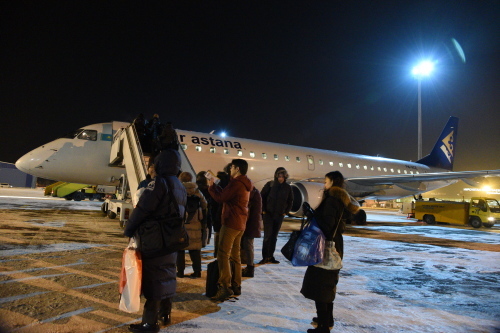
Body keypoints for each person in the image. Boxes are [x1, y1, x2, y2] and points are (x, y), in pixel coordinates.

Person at [124, 149, 187, 333]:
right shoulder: (179, 184)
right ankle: (165, 314)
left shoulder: (158, 183)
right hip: (172, 238)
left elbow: (143, 208)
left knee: (154, 280)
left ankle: (149, 324)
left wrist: (129, 229)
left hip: (155, 238)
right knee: (166, 275)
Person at [300, 171, 359, 333]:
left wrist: (312, 215)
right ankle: (327, 319)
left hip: (326, 247)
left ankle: (323, 327)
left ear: (332, 182)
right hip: (334, 246)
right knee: (328, 284)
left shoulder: (332, 200)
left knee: (321, 286)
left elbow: (327, 226)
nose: (324, 185)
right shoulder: (339, 199)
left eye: (326, 182)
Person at [208, 159, 252, 301]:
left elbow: (220, 198)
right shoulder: (245, 183)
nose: (230, 169)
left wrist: (210, 186)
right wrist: (215, 186)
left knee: (223, 254)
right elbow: (227, 195)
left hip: (231, 223)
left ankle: (225, 286)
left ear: (237, 169)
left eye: (232, 167)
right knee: (235, 255)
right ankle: (236, 285)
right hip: (240, 223)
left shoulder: (236, 183)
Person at [259, 167, 294, 264]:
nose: (280, 178)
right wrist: (264, 211)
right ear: (276, 176)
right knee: (267, 236)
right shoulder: (270, 185)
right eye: (279, 176)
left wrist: (285, 212)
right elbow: (262, 197)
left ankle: (271, 256)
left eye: (282, 176)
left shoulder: (287, 187)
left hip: (279, 215)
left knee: (274, 237)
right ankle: (265, 257)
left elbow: (290, 200)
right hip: (268, 215)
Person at [177, 171, 208, 279]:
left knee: (180, 250)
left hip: (182, 225)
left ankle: (180, 272)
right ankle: (197, 272)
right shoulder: (197, 191)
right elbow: (205, 205)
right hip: (196, 225)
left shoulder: (178, 191)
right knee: (195, 250)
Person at [241, 186, 262, 277]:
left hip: (250, 224)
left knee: (248, 245)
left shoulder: (252, 194)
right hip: (252, 224)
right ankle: (249, 267)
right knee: (248, 245)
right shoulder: (255, 193)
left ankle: (250, 268)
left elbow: (248, 210)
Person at [210, 168, 231, 258]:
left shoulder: (217, 189)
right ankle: (221, 253)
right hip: (225, 216)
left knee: (217, 234)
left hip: (217, 215)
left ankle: (217, 252)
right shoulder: (227, 189)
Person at [196, 171, 213, 245]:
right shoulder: (209, 189)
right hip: (207, 212)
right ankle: (206, 240)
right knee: (207, 225)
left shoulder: (196, 189)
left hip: (196, 213)